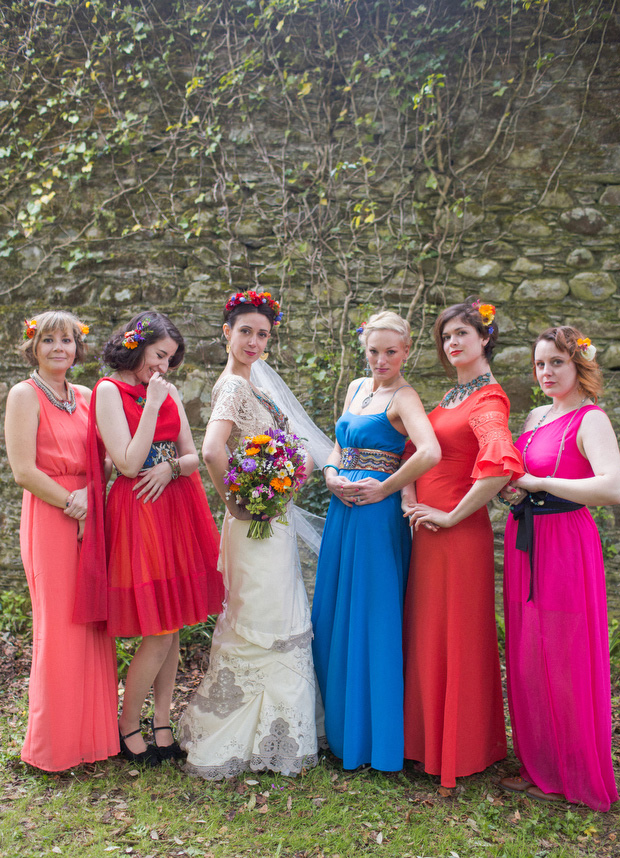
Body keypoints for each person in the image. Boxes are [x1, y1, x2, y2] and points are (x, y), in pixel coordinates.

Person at [179, 290, 321, 779]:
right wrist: (235, 502)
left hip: (269, 521)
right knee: (259, 621)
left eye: (262, 333)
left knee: (276, 615)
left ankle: (276, 732)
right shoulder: (234, 389)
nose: (255, 341)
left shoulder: (253, 385)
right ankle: (239, 736)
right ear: (226, 332)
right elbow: (214, 449)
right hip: (252, 524)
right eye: (246, 332)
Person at [75, 311, 224, 767]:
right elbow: (125, 461)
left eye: (171, 360)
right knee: (157, 630)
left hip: (174, 501)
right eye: (159, 356)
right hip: (137, 507)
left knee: (174, 623)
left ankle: (162, 724)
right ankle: (127, 726)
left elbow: (193, 454)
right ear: (136, 345)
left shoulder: (167, 388)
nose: (163, 367)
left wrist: (172, 467)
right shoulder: (107, 390)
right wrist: (155, 406)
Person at [311, 311, 441, 772]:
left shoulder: (405, 397)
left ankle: (373, 741)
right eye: (373, 350)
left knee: (370, 616)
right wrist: (329, 473)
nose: (381, 359)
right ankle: (339, 730)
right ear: (364, 349)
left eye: (391, 351)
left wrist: (386, 488)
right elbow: (339, 446)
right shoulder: (356, 388)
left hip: (373, 516)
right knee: (333, 613)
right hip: (341, 509)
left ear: (406, 351)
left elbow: (430, 451)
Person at [401, 298, 523, 789]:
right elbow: (412, 450)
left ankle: (460, 747)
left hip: (457, 536)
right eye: (446, 336)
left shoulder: (489, 400)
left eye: (462, 335)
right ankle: (423, 742)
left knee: (454, 634)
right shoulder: (451, 397)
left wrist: (450, 515)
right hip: (427, 532)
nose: (452, 343)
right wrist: (409, 498)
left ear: (485, 339)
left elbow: (498, 466)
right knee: (427, 631)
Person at [499, 327, 620, 811]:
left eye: (556, 363)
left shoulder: (591, 419)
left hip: (565, 543)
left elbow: (612, 487)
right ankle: (540, 763)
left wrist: (542, 481)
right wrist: (517, 490)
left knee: (565, 652)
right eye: (540, 364)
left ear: (578, 366)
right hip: (525, 540)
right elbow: (522, 477)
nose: (546, 372)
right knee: (530, 652)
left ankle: (572, 771)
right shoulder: (535, 416)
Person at [4, 312, 119, 771]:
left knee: (93, 622)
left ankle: (95, 739)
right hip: (51, 515)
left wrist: (94, 499)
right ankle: (53, 747)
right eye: (48, 339)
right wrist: (75, 503)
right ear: (33, 347)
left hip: (92, 511)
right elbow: (22, 470)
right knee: (58, 628)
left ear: (78, 348)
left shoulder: (89, 397)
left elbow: (107, 460)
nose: (59, 347)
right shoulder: (23, 396)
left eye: (67, 340)